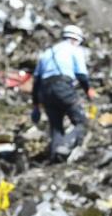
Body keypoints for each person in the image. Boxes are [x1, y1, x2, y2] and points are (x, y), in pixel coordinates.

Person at [31, 24, 96, 162]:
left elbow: (36, 82)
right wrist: (88, 90)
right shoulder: (74, 49)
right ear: (76, 39)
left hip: (45, 90)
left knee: (56, 127)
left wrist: (36, 105)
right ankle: (66, 146)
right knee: (81, 122)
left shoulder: (47, 53)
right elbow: (81, 74)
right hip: (62, 86)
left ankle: (55, 158)